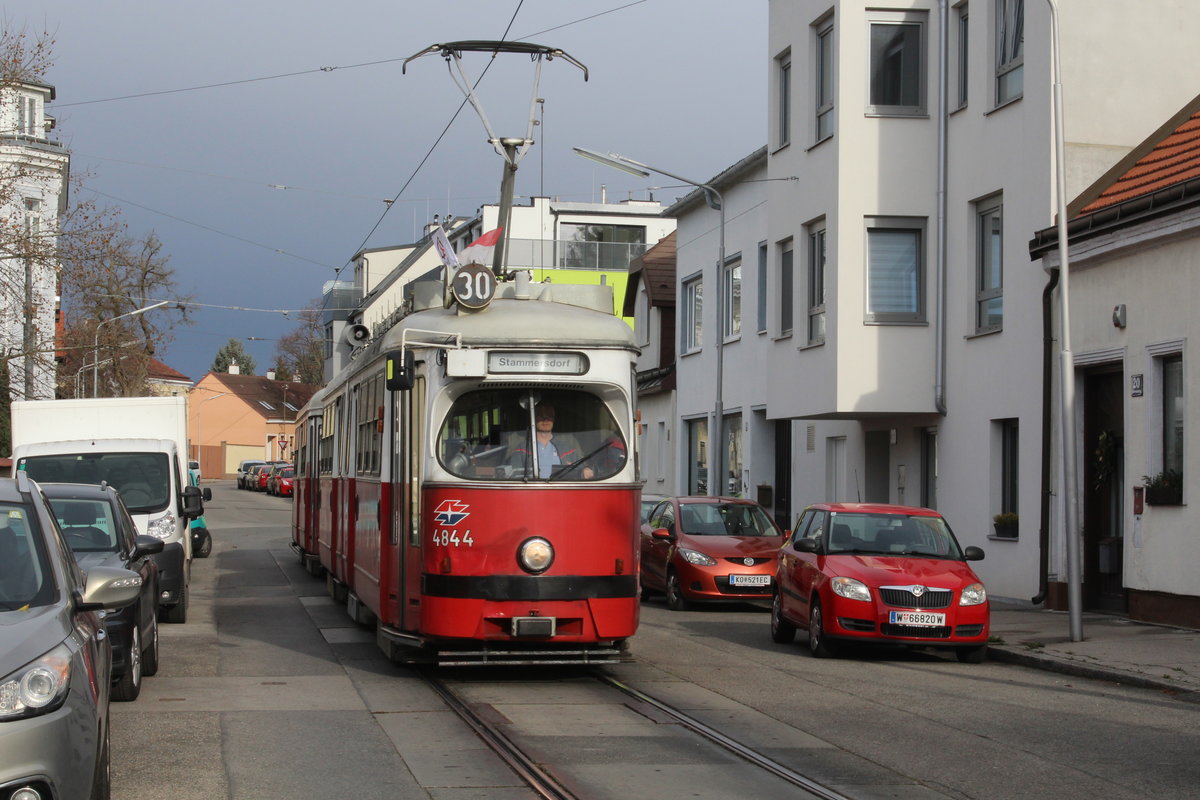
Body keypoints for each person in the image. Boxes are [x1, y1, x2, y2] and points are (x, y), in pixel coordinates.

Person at [508, 404, 593, 479]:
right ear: (533, 420)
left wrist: (585, 470)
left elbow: (583, 466)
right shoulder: (521, 449)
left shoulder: (568, 449)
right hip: (532, 493)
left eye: (549, 416)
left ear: (554, 419)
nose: (546, 420)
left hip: (561, 492)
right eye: (541, 416)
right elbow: (512, 475)